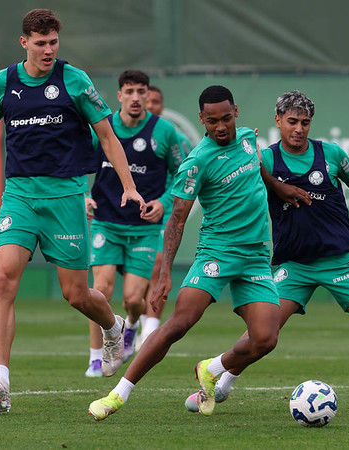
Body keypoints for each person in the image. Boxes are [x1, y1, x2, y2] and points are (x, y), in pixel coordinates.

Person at [184, 90, 349, 415]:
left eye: (305, 122)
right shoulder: (265, 159)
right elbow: (236, 180)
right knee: (262, 333)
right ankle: (221, 385)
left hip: (341, 261)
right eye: (292, 121)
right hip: (293, 266)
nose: (298, 129)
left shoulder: (330, 154)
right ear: (278, 121)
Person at [0, 9, 146, 414]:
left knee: (76, 294)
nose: (48, 50)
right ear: (24, 42)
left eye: (53, 42)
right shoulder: (2, 83)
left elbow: (107, 136)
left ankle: (113, 327)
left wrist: (128, 185)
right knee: (4, 277)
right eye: (40, 43)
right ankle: (1, 379)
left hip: (65, 197)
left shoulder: (74, 80)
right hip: (20, 197)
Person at [88, 85, 283, 420]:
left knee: (266, 338)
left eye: (226, 118)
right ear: (201, 119)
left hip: (254, 256)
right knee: (179, 324)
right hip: (216, 253)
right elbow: (177, 219)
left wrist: (282, 188)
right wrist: (164, 275)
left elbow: (260, 170)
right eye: (212, 121)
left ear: (236, 112)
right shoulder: (197, 161)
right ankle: (118, 394)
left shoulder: (249, 140)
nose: (220, 126)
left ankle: (212, 368)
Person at [83, 71, 185, 377]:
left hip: (144, 229)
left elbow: (182, 173)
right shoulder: (103, 126)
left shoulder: (164, 131)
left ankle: (130, 327)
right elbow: (76, 163)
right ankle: (96, 357)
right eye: (129, 91)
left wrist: (164, 202)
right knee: (100, 289)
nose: (136, 97)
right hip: (105, 223)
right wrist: (83, 195)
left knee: (132, 299)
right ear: (119, 96)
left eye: (142, 91)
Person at [134, 84, 195, 349]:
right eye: (147, 100)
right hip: (133, 210)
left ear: (161, 106)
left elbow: (189, 173)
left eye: (156, 101)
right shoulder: (124, 135)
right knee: (136, 276)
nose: (151, 105)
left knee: (157, 264)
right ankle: (135, 324)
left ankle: (149, 330)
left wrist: (169, 201)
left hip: (166, 207)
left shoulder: (174, 137)